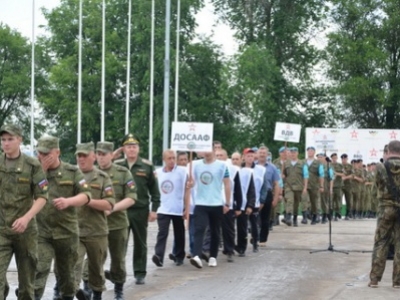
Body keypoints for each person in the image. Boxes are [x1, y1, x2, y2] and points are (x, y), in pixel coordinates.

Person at [33, 136, 91, 300]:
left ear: (57, 152)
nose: (42, 157)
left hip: (66, 232)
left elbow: (86, 195)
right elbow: (27, 196)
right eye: (40, 153)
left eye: (46, 153)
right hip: (42, 232)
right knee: (40, 268)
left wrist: (68, 201)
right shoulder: (34, 171)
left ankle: (66, 296)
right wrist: (41, 172)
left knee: (67, 275)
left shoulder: (72, 172)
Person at [0, 124, 48, 300]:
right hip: (2, 230)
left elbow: (42, 196)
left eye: (10, 139)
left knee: (27, 286)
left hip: (25, 232)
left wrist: (27, 218)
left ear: (20, 139)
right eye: (3, 139)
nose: (6, 143)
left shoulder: (32, 165)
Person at [114, 134, 160, 284]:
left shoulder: (147, 166)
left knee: (140, 243)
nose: (132, 149)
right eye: (128, 146)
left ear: (138, 149)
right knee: (120, 242)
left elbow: (154, 190)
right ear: (124, 149)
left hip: (140, 210)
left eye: (134, 146)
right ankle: (118, 272)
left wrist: (154, 209)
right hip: (122, 210)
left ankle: (140, 272)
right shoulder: (118, 165)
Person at [73, 142, 115, 300]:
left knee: (96, 269)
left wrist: (87, 200)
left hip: (97, 231)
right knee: (73, 265)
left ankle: (96, 295)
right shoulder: (70, 175)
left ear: (93, 156)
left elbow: (109, 203)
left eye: (84, 155)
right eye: (79, 156)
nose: (81, 159)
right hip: (75, 230)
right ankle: (75, 292)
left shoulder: (102, 178)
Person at [95, 141, 136, 300]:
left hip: (117, 224)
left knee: (118, 260)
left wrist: (112, 208)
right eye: (98, 154)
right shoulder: (90, 173)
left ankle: (118, 289)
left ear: (111, 155)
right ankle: (92, 289)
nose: (101, 158)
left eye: (104, 154)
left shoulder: (122, 172)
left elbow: (132, 197)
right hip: (96, 225)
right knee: (94, 259)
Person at [190, 149, 231, 268]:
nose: (206, 152)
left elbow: (227, 184)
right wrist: (190, 184)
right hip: (201, 202)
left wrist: (227, 203)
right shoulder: (196, 165)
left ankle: (213, 256)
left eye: (208, 149)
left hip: (216, 203)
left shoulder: (222, 166)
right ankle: (197, 255)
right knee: (199, 228)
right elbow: (192, 182)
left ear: (213, 150)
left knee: (215, 230)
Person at [369, 140, 400, 288]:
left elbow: (374, 190)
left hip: (385, 209)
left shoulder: (380, 167)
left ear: (388, 151)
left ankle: (374, 279)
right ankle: (397, 282)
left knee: (381, 242)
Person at [152, 150, 190, 267]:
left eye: (174, 158)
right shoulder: (158, 173)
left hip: (177, 207)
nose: (172, 160)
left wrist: (186, 208)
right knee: (162, 232)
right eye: (169, 158)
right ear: (164, 159)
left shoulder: (183, 172)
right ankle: (159, 256)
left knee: (179, 232)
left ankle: (179, 256)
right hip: (163, 207)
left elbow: (187, 190)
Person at [215, 149, 243, 261]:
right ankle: (210, 251)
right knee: (212, 229)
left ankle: (229, 250)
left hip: (228, 204)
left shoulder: (233, 170)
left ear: (226, 157)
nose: (219, 157)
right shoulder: (210, 168)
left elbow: (238, 189)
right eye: (217, 155)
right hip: (213, 203)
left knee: (228, 229)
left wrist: (239, 206)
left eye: (221, 155)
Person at [255, 145, 280, 245]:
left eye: (264, 153)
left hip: (268, 193)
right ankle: (255, 236)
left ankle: (262, 239)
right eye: (260, 153)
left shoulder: (272, 167)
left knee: (265, 218)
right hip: (255, 193)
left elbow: (276, 184)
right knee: (255, 217)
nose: (262, 155)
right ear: (257, 154)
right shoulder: (253, 165)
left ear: (267, 155)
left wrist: (276, 198)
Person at [235, 148, 256, 256]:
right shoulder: (228, 170)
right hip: (230, 203)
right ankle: (229, 246)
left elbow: (251, 189)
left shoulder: (247, 173)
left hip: (243, 204)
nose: (235, 161)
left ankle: (241, 247)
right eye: (233, 159)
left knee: (242, 227)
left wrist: (250, 205)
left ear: (240, 159)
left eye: (237, 159)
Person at [282, 147, 309, 226]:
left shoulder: (302, 163)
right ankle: (288, 217)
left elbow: (306, 176)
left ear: (297, 153)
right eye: (292, 152)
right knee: (289, 200)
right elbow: (283, 174)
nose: (293, 154)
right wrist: (283, 175)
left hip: (299, 186)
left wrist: (305, 187)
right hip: (288, 186)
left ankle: (294, 218)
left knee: (296, 204)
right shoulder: (286, 163)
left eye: (294, 152)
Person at [304, 147, 324, 225]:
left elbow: (321, 175)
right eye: (308, 151)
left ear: (314, 152)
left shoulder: (318, 163)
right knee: (305, 200)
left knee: (314, 202)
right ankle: (305, 216)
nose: (310, 152)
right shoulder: (303, 162)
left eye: (311, 151)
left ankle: (315, 216)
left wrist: (321, 186)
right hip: (304, 185)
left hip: (314, 185)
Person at [331, 153, 344, 221]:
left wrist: (336, 173)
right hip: (331, 186)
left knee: (338, 201)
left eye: (335, 157)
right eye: (333, 157)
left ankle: (337, 213)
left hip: (338, 186)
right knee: (331, 201)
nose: (334, 159)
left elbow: (343, 174)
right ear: (331, 158)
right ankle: (331, 214)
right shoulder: (329, 165)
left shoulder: (340, 165)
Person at [341, 154, 354, 220]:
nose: (344, 160)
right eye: (342, 159)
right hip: (340, 185)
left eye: (345, 159)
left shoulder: (350, 166)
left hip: (348, 185)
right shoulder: (339, 166)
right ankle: (338, 213)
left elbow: (352, 175)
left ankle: (348, 213)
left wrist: (346, 177)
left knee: (348, 200)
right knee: (338, 199)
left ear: (347, 159)